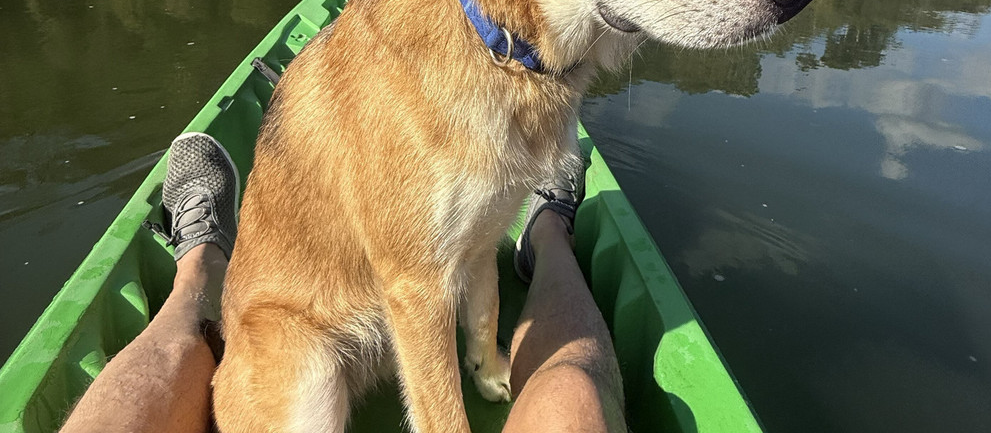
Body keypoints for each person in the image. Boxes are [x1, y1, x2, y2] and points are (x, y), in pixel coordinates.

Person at [61, 133, 627, 433]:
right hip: (302, 324)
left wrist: (481, 350)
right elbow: (416, 283)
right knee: (573, 391)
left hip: (366, 324)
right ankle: (550, 233)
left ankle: (200, 271)